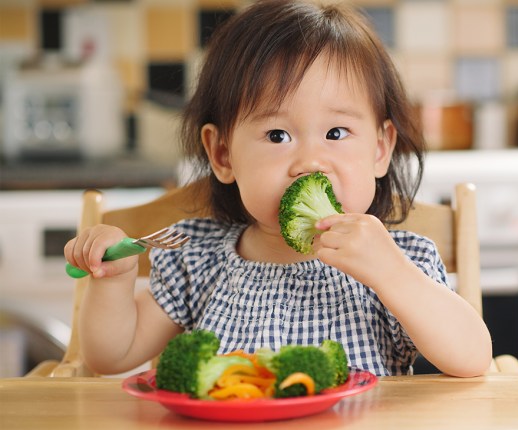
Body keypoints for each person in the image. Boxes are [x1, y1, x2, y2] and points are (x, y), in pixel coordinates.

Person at [64, 0, 492, 377]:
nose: (309, 162)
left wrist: (393, 275)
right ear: (224, 155)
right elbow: (111, 356)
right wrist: (114, 282)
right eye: (277, 136)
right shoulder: (198, 258)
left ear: (380, 149)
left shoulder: (402, 260)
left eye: (337, 132)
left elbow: (472, 358)